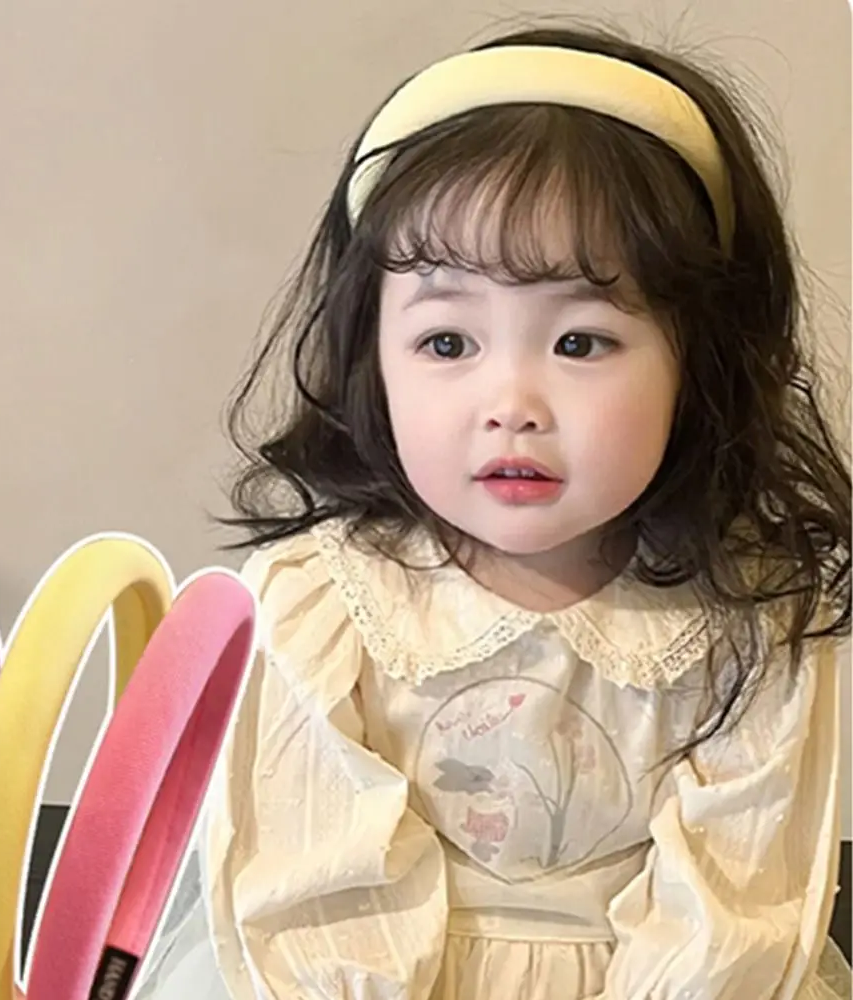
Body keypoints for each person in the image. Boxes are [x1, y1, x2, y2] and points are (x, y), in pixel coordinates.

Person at [145, 23, 853, 1000]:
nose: (511, 402)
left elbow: (733, 917)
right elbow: (316, 904)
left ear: (699, 363)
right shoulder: (319, 602)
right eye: (447, 343)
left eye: (580, 342)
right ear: (371, 359)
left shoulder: (750, 618)